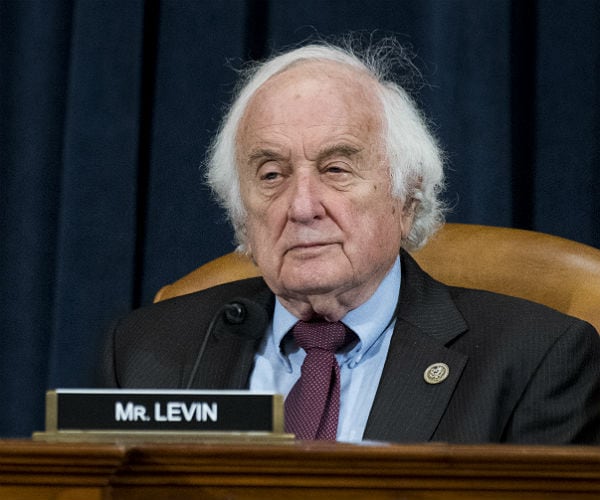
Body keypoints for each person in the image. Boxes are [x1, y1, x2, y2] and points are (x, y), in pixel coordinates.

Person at [100, 39, 600, 444]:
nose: (302, 206)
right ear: (242, 215)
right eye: (271, 175)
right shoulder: (146, 351)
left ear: (407, 199)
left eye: (336, 169)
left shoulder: (536, 360)